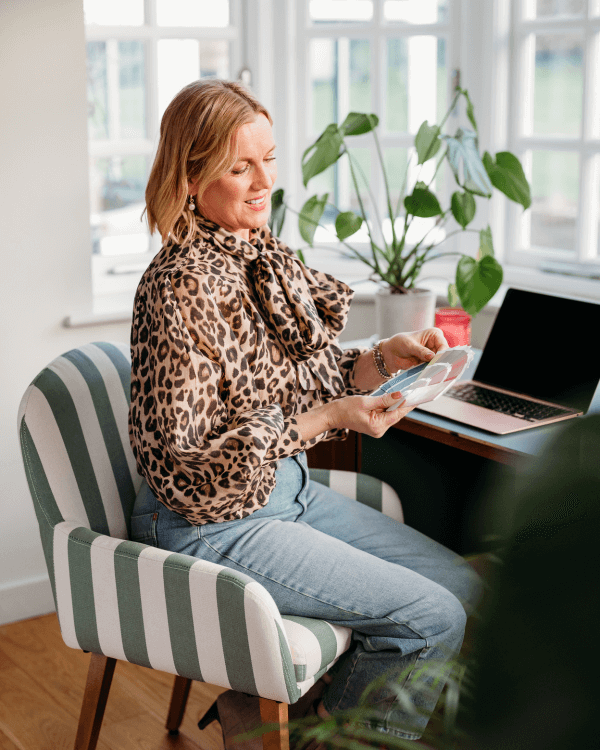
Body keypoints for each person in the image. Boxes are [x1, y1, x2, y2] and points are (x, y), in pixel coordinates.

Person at [129, 79, 481, 742]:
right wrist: (329, 419)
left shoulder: (258, 256)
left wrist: (383, 360)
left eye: (269, 158)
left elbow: (310, 376)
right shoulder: (176, 288)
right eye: (240, 167)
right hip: (211, 518)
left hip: (283, 491)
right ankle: (330, 736)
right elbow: (191, 456)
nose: (264, 181)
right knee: (430, 618)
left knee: (461, 585)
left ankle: (286, 719)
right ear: (192, 175)